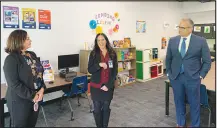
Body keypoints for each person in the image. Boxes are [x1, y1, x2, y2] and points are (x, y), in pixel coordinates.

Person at [166, 18, 211, 127]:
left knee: (194, 104)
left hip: (193, 78)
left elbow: (207, 61)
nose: (179, 30)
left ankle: (195, 125)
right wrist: (169, 73)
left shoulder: (201, 41)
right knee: (178, 102)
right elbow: (169, 59)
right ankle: (180, 123)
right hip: (176, 77)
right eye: (179, 27)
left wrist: (201, 75)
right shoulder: (173, 40)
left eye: (182, 27)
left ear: (190, 29)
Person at [3, 29, 46, 127]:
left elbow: (39, 74)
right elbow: (14, 84)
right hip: (20, 101)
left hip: (36, 97)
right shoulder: (11, 59)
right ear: (19, 41)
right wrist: (32, 95)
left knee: (31, 124)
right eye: (27, 39)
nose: (30, 40)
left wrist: (42, 88)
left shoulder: (31, 55)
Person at [88, 33, 118, 127]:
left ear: (106, 40)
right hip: (96, 86)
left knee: (106, 108)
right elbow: (90, 69)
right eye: (98, 40)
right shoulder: (93, 53)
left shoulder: (112, 53)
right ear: (96, 42)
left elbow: (114, 71)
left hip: (108, 85)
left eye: (103, 39)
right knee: (97, 109)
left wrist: (109, 85)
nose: (101, 42)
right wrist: (99, 65)